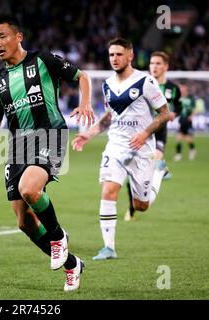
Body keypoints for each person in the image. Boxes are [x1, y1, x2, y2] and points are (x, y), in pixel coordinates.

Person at [0, 15, 94, 291]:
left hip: (50, 134)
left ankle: (59, 236)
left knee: (30, 189)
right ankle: (72, 265)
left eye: (2, 36)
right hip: (18, 147)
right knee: (24, 222)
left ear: (18, 37)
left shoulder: (43, 60)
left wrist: (85, 103)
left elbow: (81, 76)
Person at [72, 38, 170, 260]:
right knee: (108, 190)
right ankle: (109, 247)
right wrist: (88, 134)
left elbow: (165, 113)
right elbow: (110, 117)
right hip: (115, 146)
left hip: (142, 149)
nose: (114, 59)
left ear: (130, 56)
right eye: (111, 55)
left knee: (141, 205)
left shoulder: (145, 81)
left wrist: (145, 133)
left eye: (119, 54)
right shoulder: (107, 84)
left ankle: (158, 173)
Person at [124, 51, 182, 221]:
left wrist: (173, 115)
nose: (154, 67)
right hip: (141, 132)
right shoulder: (142, 84)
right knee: (133, 175)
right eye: (152, 63)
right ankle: (132, 208)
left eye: (158, 63)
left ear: (166, 67)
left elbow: (178, 107)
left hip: (160, 132)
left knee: (152, 164)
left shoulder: (173, 89)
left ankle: (159, 170)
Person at [173, 83, 199, 161]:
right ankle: (182, 153)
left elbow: (195, 109)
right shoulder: (179, 98)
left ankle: (188, 151)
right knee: (181, 138)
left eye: (182, 88)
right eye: (180, 88)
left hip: (187, 121)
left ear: (185, 89)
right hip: (181, 120)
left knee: (185, 139)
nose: (181, 90)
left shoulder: (191, 98)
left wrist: (192, 116)